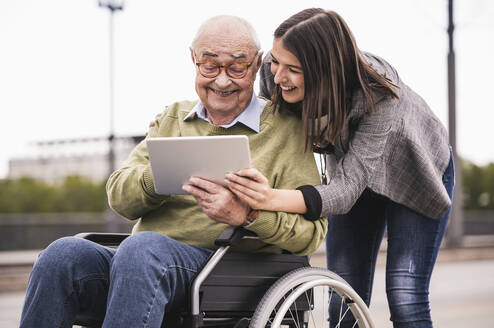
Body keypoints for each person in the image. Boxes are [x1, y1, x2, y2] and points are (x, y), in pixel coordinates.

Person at [19, 15, 327, 328]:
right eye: (209, 66)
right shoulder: (172, 118)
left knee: (142, 250)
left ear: (258, 63)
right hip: (137, 266)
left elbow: (311, 236)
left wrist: (247, 215)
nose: (222, 81)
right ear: (194, 60)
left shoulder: (286, 130)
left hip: (222, 272)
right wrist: (160, 176)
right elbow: (120, 199)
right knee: (61, 255)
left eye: (237, 67)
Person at [225, 8, 454, 328]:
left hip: (413, 172)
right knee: (342, 299)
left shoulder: (379, 94)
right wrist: (173, 123)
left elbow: (344, 193)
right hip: (352, 172)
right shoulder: (275, 72)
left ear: (325, 71)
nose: (277, 76)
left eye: (293, 69)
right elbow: (247, 119)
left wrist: (268, 198)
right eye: (276, 61)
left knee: (405, 297)